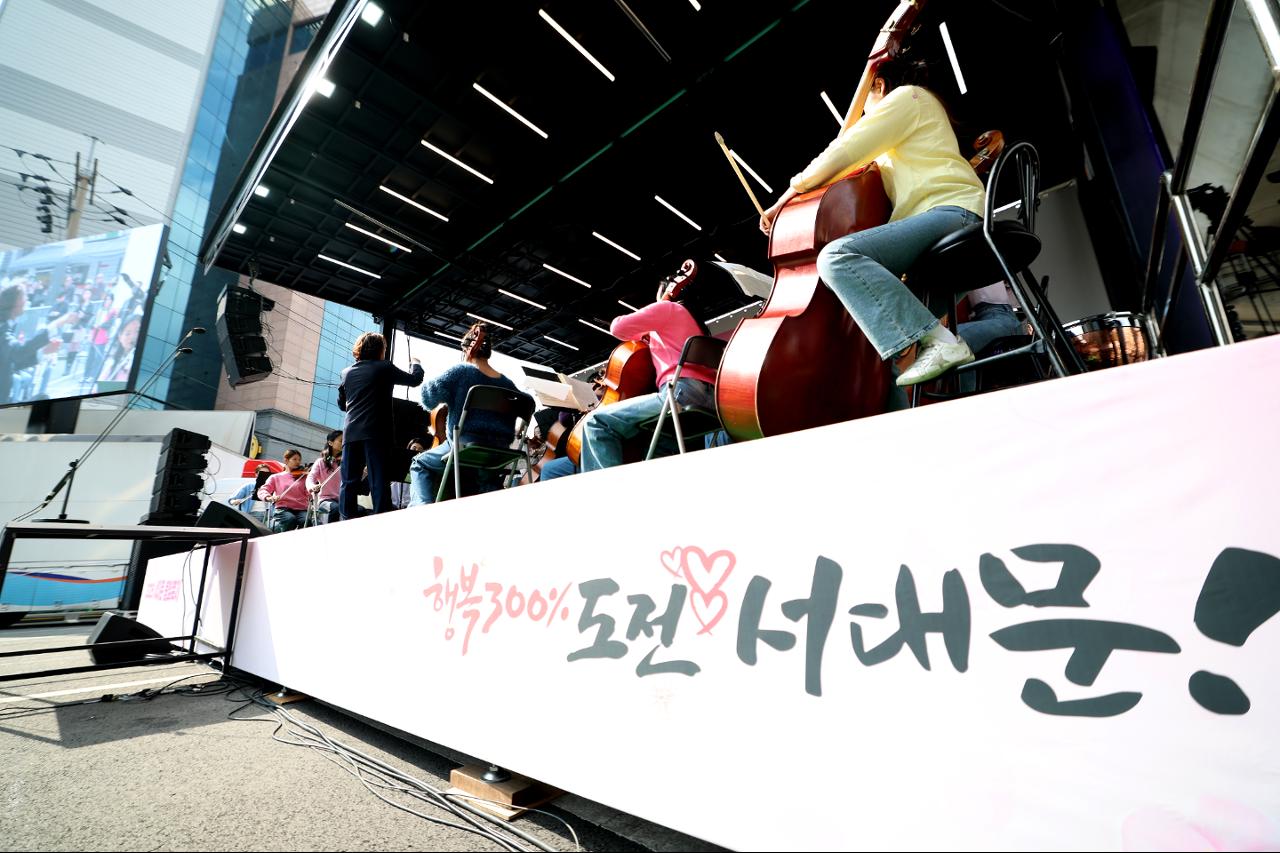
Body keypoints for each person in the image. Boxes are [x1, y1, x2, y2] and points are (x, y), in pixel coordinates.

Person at [760, 57, 986, 387]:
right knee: (882, 349)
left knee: (837, 257)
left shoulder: (908, 96)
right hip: (949, 234)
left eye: (864, 105)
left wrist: (785, 198)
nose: (864, 116)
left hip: (952, 215)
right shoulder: (912, 124)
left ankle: (942, 341)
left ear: (878, 85)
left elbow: (846, 149)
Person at [576, 260, 717, 473]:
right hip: (711, 402)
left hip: (678, 395)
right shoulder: (699, 326)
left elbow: (618, 327)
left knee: (596, 422)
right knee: (656, 440)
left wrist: (663, 301)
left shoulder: (668, 308)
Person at [408, 322, 520, 506]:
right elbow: (525, 404)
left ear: (468, 348)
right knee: (487, 476)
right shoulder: (508, 384)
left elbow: (428, 398)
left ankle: (423, 510)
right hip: (498, 452)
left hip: (465, 446)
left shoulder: (462, 372)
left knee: (419, 463)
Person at [337, 332, 423, 519]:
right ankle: (380, 520)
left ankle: (345, 521)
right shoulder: (384, 367)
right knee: (379, 479)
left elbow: (342, 405)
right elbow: (414, 380)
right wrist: (416, 363)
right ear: (380, 350)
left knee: (348, 482)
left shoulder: (346, 373)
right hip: (376, 433)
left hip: (351, 434)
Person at [0, 282, 75, 403]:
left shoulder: (7, 325)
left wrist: (43, 352)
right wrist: (56, 324)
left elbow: (11, 362)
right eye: (24, 296)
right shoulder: (2, 327)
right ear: (14, 302)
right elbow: (18, 353)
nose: (27, 299)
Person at [257, 449, 310, 533]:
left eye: (299, 460)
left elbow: (308, 493)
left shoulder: (303, 477)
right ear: (286, 460)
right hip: (283, 509)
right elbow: (263, 490)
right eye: (294, 459)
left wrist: (313, 489)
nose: (298, 462)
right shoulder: (276, 477)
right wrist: (269, 497)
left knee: (307, 521)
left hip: (301, 509)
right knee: (290, 519)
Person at [306, 430, 344, 524]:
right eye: (341, 440)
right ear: (330, 443)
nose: (344, 443)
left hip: (342, 499)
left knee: (360, 510)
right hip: (325, 500)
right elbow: (310, 478)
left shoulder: (344, 462)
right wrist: (312, 486)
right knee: (335, 508)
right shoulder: (320, 462)